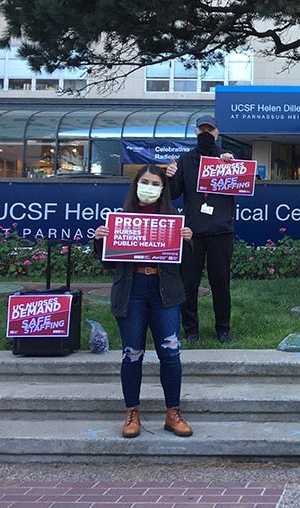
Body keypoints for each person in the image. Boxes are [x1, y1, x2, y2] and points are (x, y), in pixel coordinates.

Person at [93, 164, 193, 439]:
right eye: (144, 181)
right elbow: (107, 263)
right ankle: (132, 412)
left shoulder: (174, 217)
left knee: (170, 354)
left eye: (155, 183)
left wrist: (187, 240)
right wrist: (100, 240)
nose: (149, 187)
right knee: (132, 353)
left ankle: (173, 412)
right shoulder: (122, 218)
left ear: (163, 189)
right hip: (131, 291)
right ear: (136, 183)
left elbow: (184, 263)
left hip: (164, 293)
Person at [166, 115, 237, 345]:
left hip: (221, 230)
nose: (206, 133)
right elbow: (174, 193)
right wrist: (171, 177)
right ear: (196, 132)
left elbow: (242, 183)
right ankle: (191, 330)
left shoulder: (227, 159)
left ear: (217, 133)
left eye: (211, 129)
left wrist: (231, 165)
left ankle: (223, 329)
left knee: (221, 283)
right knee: (189, 283)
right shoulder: (185, 160)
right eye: (202, 129)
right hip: (193, 231)